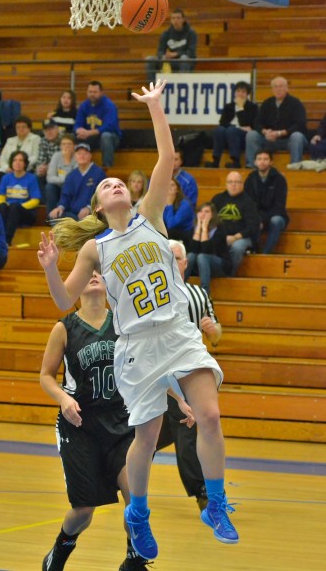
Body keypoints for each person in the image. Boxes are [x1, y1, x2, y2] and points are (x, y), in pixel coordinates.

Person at [38, 80, 239, 561]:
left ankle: (215, 502)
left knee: (209, 415)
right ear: (99, 207)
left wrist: (155, 107)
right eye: (105, 185)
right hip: (135, 346)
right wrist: (49, 269)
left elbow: (166, 156)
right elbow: (64, 301)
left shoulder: (151, 213)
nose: (114, 184)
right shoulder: (95, 248)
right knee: (146, 438)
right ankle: (139, 513)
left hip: (176, 331)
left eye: (117, 181)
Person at [40, 272, 152, 571]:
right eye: (86, 271)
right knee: (83, 511)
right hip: (81, 427)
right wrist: (64, 399)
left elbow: (149, 368)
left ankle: (134, 562)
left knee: (136, 505)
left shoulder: (124, 324)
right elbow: (46, 376)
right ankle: (59, 553)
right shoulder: (64, 328)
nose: (92, 274)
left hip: (122, 425)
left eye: (99, 271)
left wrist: (181, 400)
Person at [157, 238, 223, 511]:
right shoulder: (156, 295)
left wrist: (213, 329)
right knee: (158, 432)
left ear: (185, 262)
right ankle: (121, 464)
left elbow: (217, 335)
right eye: (166, 258)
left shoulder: (199, 295)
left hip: (190, 375)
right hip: (160, 372)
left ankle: (203, 492)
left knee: (184, 429)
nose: (172, 262)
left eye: (176, 258)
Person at [245, 76, 308, 167]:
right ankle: (252, 166)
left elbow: (300, 124)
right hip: (269, 139)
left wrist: (280, 133)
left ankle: (295, 167)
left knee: (297, 136)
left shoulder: (296, 103)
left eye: (281, 86)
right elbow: (257, 122)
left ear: (287, 88)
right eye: (275, 86)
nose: (278, 89)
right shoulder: (267, 103)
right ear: (272, 89)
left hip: (288, 139)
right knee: (251, 135)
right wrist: (265, 132)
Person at [212, 171, 260, 275]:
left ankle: (230, 275)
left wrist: (235, 237)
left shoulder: (249, 202)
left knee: (237, 248)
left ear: (242, 184)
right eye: (230, 182)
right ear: (226, 184)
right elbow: (211, 220)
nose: (233, 184)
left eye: (236, 182)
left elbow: (252, 227)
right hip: (220, 235)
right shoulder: (217, 199)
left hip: (242, 237)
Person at [244, 150, 289, 254]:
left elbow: (279, 207)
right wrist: (257, 219)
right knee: (251, 220)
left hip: (276, 215)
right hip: (257, 216)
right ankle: (253, 250)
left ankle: (265, 254)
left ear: (271, 162)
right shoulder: (250, 179)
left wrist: (262, 220)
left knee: (276, 220)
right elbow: (249, 205)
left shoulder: (279, 179)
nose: (262, 162)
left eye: (265, 159)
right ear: (255, 162)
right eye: (259, 159)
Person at [206, 81, 258, 169]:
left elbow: (246, 123)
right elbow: (222, 122)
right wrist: (235, 126)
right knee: (219, 130)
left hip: (243, 135)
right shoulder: (229, 106)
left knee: (231, 130)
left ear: (247, 94)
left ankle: (236, 161)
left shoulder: (252, 107)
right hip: (229, 131)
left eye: (243, 92)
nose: (240, 94)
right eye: (238, 91)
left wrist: (241, 108)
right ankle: (216, 160)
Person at [48, 143, 106, 222]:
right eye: (79, 154)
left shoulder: (99, 173)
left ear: (90, 156)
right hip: (73, 214)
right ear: (75, 157)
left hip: (92, 213)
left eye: (85, 153)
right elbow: (66, 195)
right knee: (55, 217)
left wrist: (89, 207)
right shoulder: (71, 175)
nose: (82, 156)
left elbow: (101, 196)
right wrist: (60, 207)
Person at [185, 202, 232, 294]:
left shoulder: (220, 228)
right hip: (200, 266)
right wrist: (199, 226)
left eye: (206, 212)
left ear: (213, 214)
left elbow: (207, 250)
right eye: (201, 211)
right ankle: (179, 286)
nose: (203, 214)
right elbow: (192, 249)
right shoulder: (194, 228)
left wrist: (205, 228)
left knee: (202, 256)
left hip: (220, 265)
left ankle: (205, 292)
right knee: (190, 255)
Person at [0, 151, 41, 245]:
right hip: (10, 212)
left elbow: (35, 200)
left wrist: (18, 206)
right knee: (1, 207)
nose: (17, 162)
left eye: (21, 160)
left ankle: (6, 241)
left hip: (26, 214)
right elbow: (0, 197)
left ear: (25, 163)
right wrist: (7, 205)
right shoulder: (6, 178)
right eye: (15, 160)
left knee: (14, 207)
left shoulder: (31, 178)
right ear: (11, 163)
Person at [74, 81, 121, 169]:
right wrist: (79, 130)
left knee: (105, 136)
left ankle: (107, 167)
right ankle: (77, 167)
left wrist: (89, 133)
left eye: (95, 92)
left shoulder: (109, 105)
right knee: (75, 136)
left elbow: (109, 126)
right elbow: (77, 123)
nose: (92, 94)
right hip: (91, 137)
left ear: (101, 92)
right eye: (90, 92)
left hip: (111, 137)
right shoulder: (84, 105)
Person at [146, 9, 197, 82]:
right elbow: (160, 51)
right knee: (150, 59)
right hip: (170, 62)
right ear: (171, 20)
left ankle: (183, 84)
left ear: (183, 19)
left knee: (184, 58)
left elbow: (191, 52)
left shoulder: (191, 33)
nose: (175, 20)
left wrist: (176, 54)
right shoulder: (166, 33)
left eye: (178, 18)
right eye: (173, 18)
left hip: (184, 62)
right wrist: (164, 56)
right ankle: (153, 88)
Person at [45, 134, 76, 214]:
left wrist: (67, 161)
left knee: (66, 188)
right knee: (49, 187)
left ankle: (64, 214)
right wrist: (63, 180)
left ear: (74, 146)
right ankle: (50, 216)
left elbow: (73, 180)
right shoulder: (56, 156)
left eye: (69, 144)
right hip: (57, 186)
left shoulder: (77, 157)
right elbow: (49, 178)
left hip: (72, 188)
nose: (66, 146)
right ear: (60, 146)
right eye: (64, 144)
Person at [163, 178, 194, 247]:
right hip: (171, 233)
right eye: (167, 185)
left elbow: (171, 224)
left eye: (172, 185)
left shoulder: (185, 204)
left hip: (185, 235)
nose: (169, 187)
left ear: (177, 189)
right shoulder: (161, 202)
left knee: (168, 232)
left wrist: (170, 205)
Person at [36, 119, 61, 193]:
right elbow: (40, 161)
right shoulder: (43, 141)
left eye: (51, 129)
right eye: (46, 130)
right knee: (36, 176)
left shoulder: (63, 140)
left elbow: (63, 162)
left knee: (50, 186)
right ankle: (44, 202)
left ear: (57, 129)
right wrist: (40, 168)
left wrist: (49, 167)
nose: (49, 132)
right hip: (48, 171)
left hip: (61, 172)